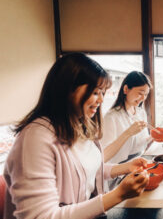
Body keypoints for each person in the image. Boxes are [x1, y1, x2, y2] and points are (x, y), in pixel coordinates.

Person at [3, 53, 149, 219]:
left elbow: (90, 169)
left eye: (102, 92)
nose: (101, 100)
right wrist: (118, 195)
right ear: (67, 89)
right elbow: (40, 216)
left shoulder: (79, 125)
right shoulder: (35, 138)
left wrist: (126, 167)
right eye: (95, 92)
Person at [100, 71, 153, 190]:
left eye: (146, 94)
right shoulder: (111, 117)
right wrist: (128, 133)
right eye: (140, 93)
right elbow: (104, 156)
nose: (143, 98)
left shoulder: (140, 112)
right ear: (126, 89)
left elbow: (140, 145)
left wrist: (153, 137)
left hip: (138, 166)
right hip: (118, 174)